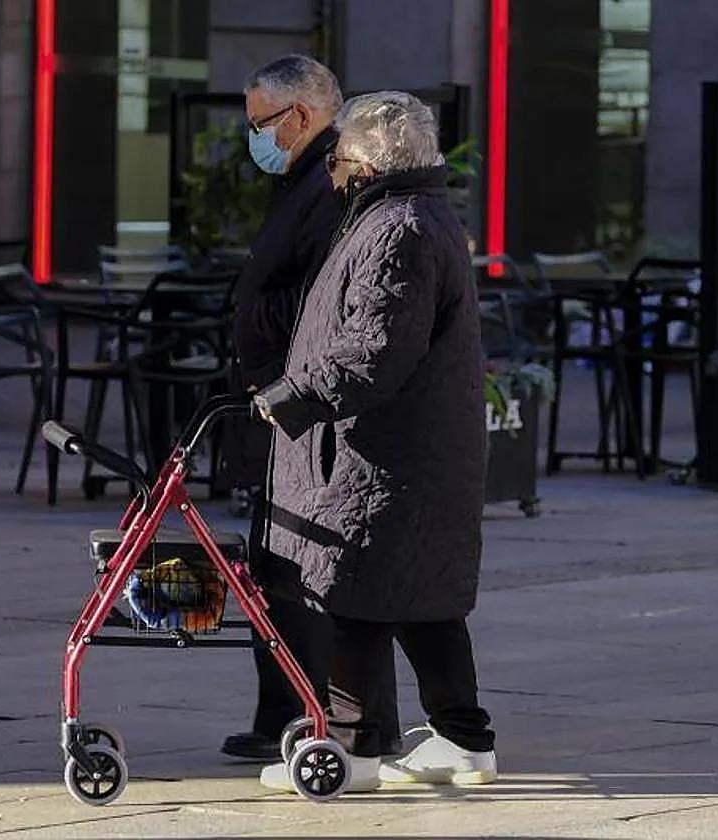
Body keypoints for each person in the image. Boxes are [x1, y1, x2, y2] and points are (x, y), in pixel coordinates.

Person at [252, 91, 497, 792]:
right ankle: (463, 738)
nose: (330, 165)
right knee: (421, 601)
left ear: (367, 160)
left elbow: (376, 351)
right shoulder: (413, 216)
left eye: (340, 153)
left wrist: (295, 396)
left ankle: (354, 752)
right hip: (407, 450)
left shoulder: (399, 228)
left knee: (353, 596)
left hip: (381, 455)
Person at [222, 55, 401, 762]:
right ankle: (284, 710)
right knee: (273, 564)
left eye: (260, 124)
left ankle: (314, 712)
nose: (255, 139)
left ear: (300, 116)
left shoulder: (332, 180)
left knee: (302, 568)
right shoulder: (305, 176)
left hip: (306, 407)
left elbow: (329, 298)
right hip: (280, 401)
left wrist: (255, 315)